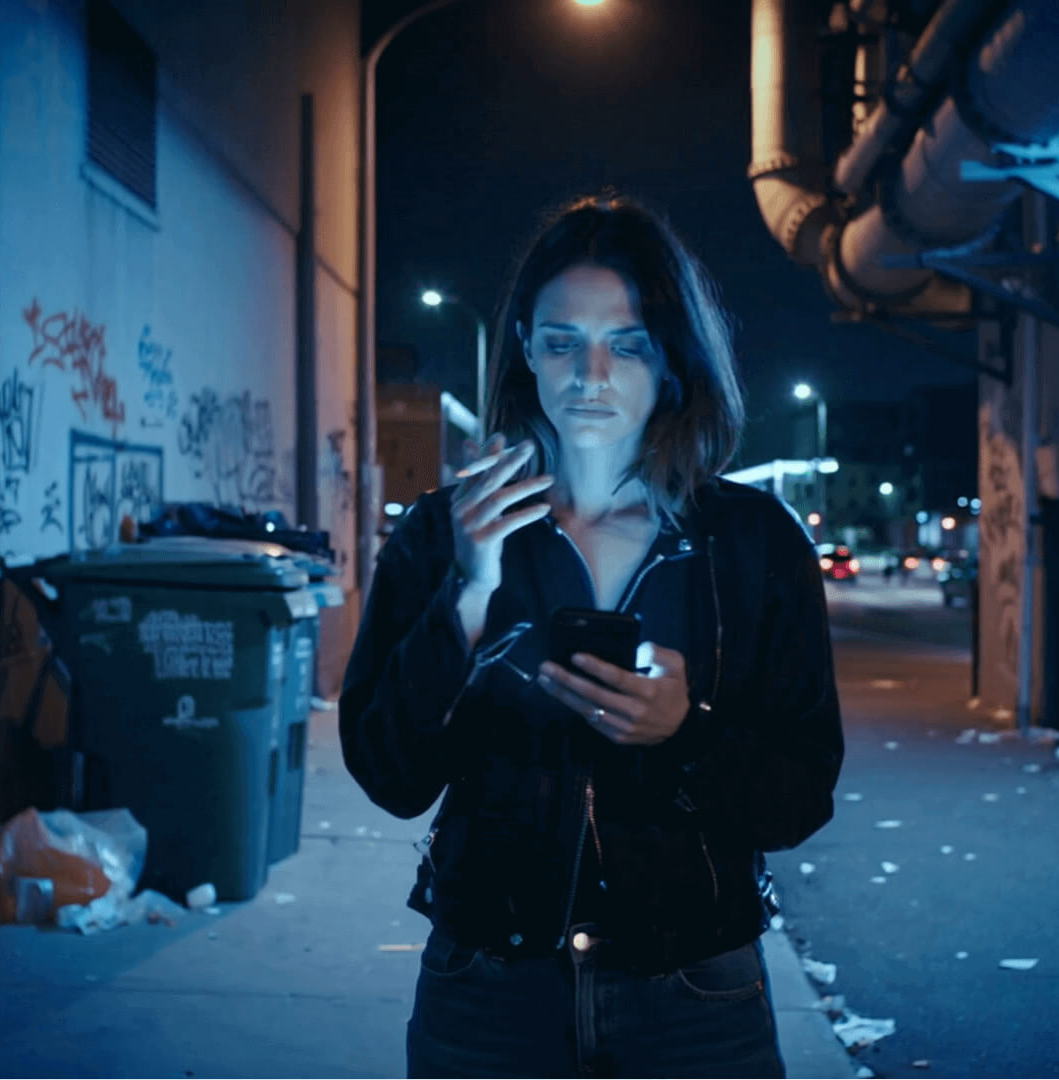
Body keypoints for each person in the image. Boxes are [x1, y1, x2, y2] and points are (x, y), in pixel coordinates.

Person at [340, 193, 843, 1079]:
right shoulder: (441, 533)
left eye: (628, 344)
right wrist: (468, 592)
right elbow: (390, 776)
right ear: (525, 349)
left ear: (673, 358)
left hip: (695, 995)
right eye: (563, 342)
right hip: (487, 993)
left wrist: (686, 733)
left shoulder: (754, 543)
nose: (591, 374)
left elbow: (800, 798)